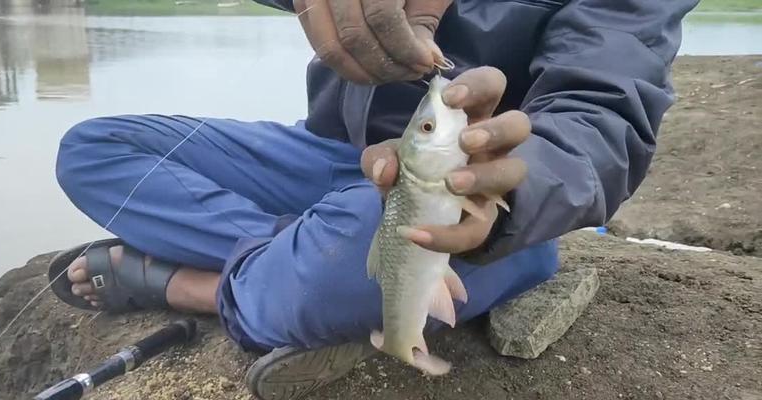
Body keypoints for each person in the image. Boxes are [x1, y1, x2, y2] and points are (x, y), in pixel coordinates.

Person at [47, 0, 698, 399]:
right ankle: (303, 255)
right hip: (325, 155)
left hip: (484, 196)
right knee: (93, 150)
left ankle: (191, 285)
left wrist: (521, 181)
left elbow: (602, 112)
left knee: (366, 247)